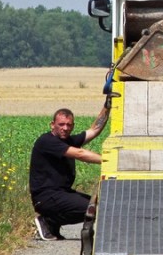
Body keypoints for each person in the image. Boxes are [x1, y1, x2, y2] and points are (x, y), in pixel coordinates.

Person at [29, 102, 109, 241]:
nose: (65, 128)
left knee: (99, 206)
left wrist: (108, 106)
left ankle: (51, 223)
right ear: (52, 125)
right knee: (91, 208)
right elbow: (79, 154)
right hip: (46, 197)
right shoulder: (47, 141)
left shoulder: (68, 140)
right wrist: (108, 160)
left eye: (69, 125)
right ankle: (48, 220)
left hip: (61, 194)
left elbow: (94, 130)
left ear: (73, 126)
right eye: (61, 124)